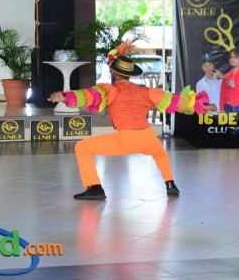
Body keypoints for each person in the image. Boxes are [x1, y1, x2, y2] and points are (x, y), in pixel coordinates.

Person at [47, 40, 216, 200]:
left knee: (82, 147)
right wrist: (204, 105)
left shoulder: (109, 90)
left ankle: (95, 188)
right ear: (129, 75)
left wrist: (64, 96)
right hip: (147, 136)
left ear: (115, 73)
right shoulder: (146, 91)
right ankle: (170, 184)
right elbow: (175, 100)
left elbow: (88, 96)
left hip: (126, 139)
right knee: (159, 153)